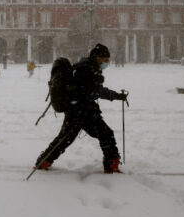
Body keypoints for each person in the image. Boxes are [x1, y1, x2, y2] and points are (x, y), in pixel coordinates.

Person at [34, 43, 128, 174]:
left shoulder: (88, 68)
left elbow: (93, 91)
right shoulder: (86, 70)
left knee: (65, 138)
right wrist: (111, 94)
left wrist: (115, 95)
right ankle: (112, 165)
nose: (107, 63)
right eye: (105, 60)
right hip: (82, 111)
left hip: (77, 109)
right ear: (97, 57)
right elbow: (89, 92)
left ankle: (44, 161)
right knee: (106, 134)